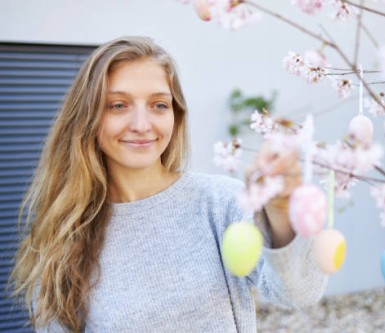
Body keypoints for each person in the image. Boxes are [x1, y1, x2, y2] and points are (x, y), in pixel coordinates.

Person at [10, 36, 328, 333]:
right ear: (88, 118)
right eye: (118, 105)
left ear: (175, 115)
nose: (141, 124)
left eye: (159, 105)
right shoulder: (65, 233)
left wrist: (282, 212)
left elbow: (299, 292)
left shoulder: (220, 202)